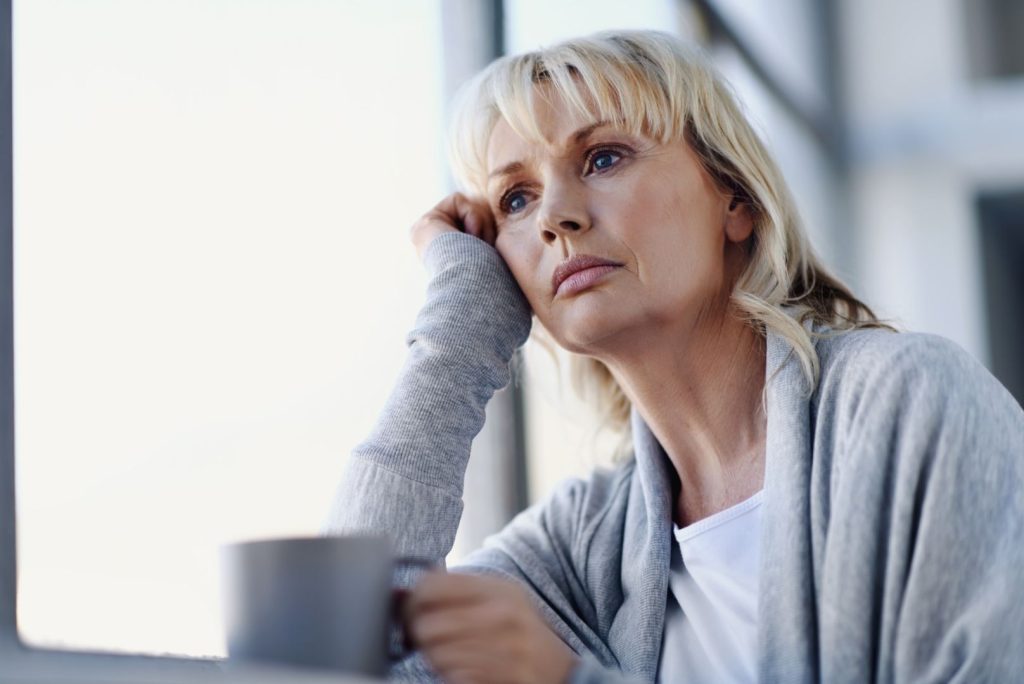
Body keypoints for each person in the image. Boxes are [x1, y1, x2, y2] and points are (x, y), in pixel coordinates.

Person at [324, 30, 1024, 683]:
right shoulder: (577, 547)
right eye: (515, 199)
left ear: (735, 200)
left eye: (603, 158)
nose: (554, 217)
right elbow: (343, 655)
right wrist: (458, 328)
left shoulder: (911, 405)